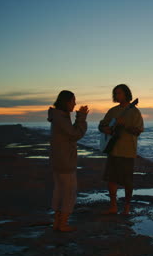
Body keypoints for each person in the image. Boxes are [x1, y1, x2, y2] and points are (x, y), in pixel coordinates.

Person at [99, 84, 144, 215]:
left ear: (126, 94)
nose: (116, 96)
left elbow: (138, 131)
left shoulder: (135, 112)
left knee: (127, 181)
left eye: (119, 93)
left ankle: (126, 208)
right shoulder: (112, 111)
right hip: (113, 149)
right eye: (115, 93)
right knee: (111, 178)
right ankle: (113, 206)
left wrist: (125, 126)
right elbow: (101, 125)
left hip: (127, 150)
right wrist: (105, 129)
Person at [47, 90, 89, 231]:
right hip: (64, 160)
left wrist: (79, 117)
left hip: (58, 160)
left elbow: (70, 133)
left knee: (59, 190)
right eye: (73, 101)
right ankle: (63, 223)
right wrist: (82, 117)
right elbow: (74, 134)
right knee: (69, 192)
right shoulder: (61, 117)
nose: (75, 103)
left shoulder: (59, 116)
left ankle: (57, 222)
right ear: (66, 102)